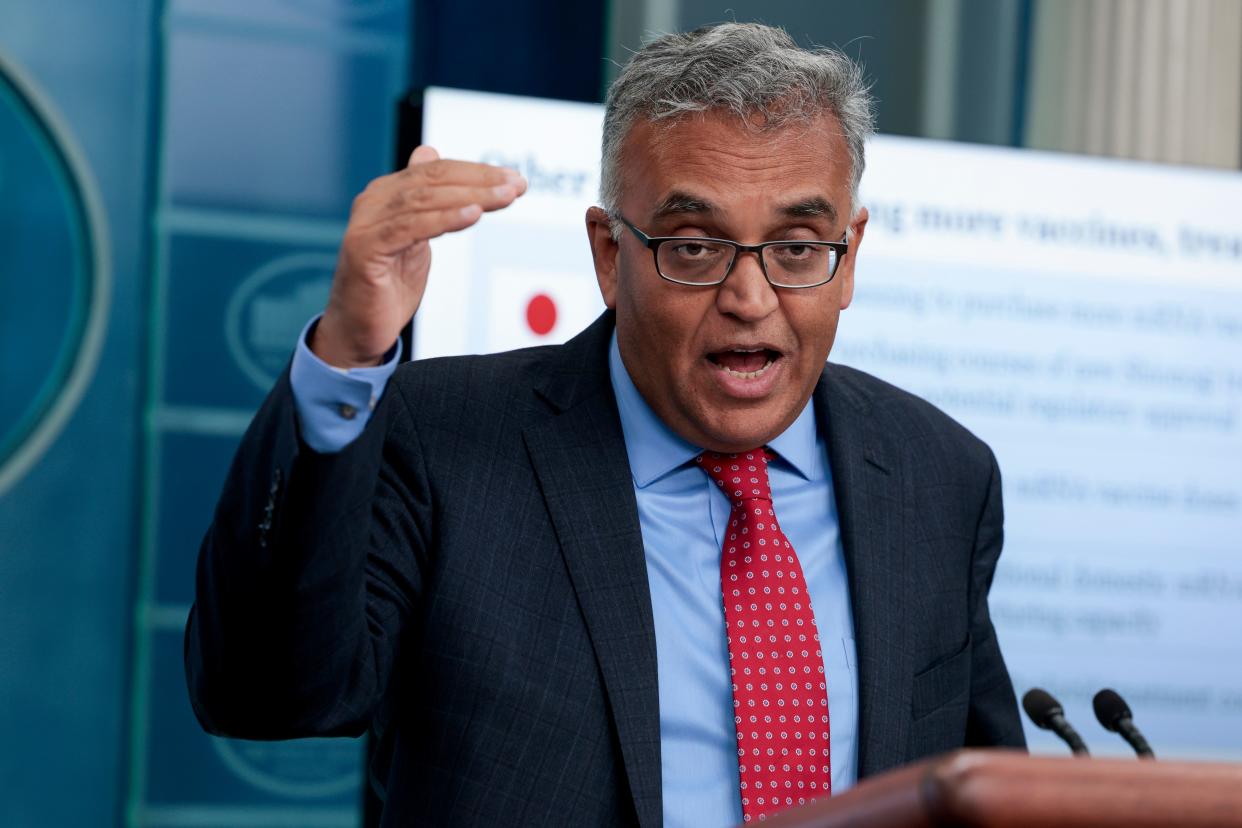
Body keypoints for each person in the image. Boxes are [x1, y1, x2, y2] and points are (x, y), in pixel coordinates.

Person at [186, 22, 1025, 827]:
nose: (750, 297)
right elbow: (264, 693)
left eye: (797, 248)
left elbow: (988, 785)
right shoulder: (445, 437)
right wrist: (349, 350)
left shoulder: (936, 473)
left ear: (850, 256)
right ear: (607, 255)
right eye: (694, 247)